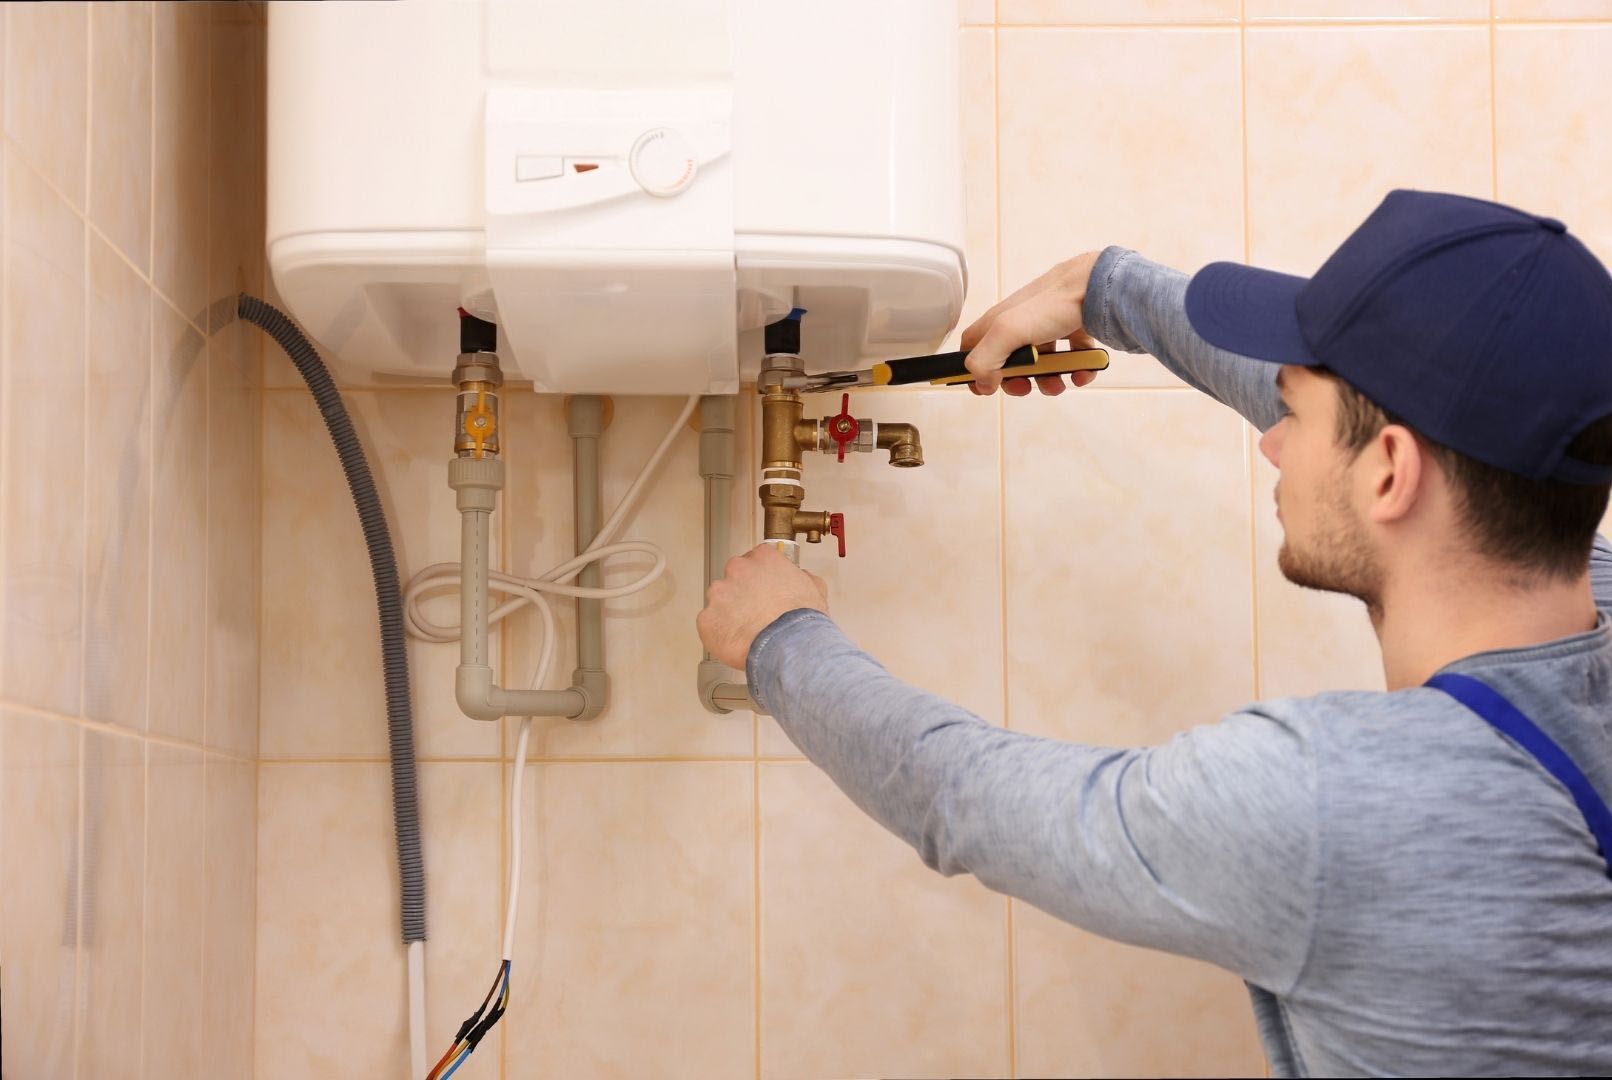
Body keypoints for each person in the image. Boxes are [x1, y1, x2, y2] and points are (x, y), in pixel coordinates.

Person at [695, 190, 1612, 1077]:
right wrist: (1109, 288)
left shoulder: (1331, 800)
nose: (1272, 440)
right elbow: (1405, 431)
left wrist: (783, 641)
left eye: (1293, 413)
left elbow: (966, 799)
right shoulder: (1573, 568)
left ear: (1389, 475)